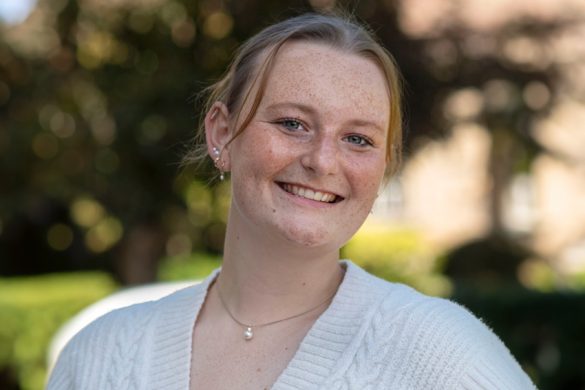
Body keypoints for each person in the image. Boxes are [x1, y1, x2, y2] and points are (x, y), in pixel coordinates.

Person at [47, 11, 536, 390]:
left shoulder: (441, 355)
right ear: (221, 132)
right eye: (292, 124)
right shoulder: (98, 356)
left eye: (359, 139)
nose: (323, 161)